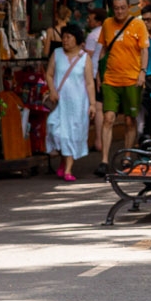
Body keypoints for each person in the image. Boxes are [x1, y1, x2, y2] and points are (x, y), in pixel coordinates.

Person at [98, 0, 151, 171]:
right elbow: (104, 49)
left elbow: (144, 50)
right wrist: (99, 74)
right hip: (111, 79)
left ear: (129, 7)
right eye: (116, 8)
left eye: (122, 7)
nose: (119, 11)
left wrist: (142, 72)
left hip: (132, 80)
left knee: (129, 120)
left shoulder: (138, 24)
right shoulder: (107, 24)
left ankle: (127, 156)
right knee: (108, 118)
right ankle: (104, 160)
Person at [46, 22, 95, 181]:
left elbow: (89, 82)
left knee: (71, 136)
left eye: (68, 37)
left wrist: (93, 104)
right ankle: (63, 163)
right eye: (64, 37)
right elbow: (49, 74)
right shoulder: (57, 53)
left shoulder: (84, 58)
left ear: (77, 39)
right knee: (55, 130)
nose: (65, 40)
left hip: (78, 104)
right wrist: (52, 90)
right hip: (60, 103)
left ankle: (68, 169)